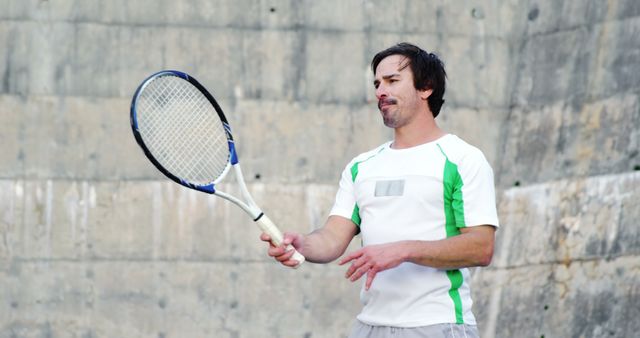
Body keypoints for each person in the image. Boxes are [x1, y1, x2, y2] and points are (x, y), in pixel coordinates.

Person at [261, 42, 499, 338]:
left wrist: (402, 250)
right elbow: (333, 238)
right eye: (377, 83)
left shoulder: (462, 159)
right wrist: (302, 245)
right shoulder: (361, 166)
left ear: (426, 88)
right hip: (369, 327)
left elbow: (481, 247)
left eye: (392, 81)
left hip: (438, 326)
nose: (380, 91)